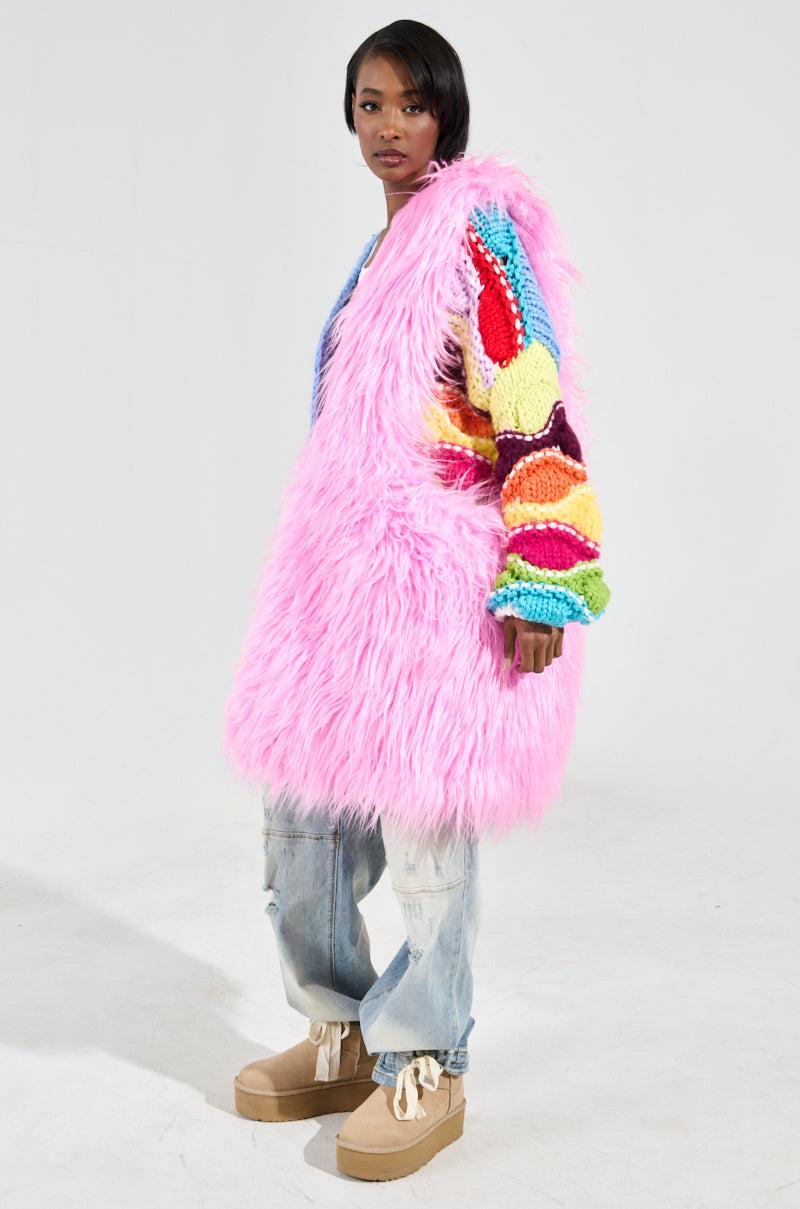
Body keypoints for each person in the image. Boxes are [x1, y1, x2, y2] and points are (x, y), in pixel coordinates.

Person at [225, 19, 611, 1182]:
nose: (387, 127)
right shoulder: (380, 250)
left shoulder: (474, 235)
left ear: (446, 112)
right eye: (368, 105)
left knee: (424, 836)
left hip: (430, 582)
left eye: (409, 103)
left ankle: (425, 1060)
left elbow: (530, 400)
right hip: (336, 581)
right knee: (303, 821)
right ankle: (337, 1030)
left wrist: (540, 573)